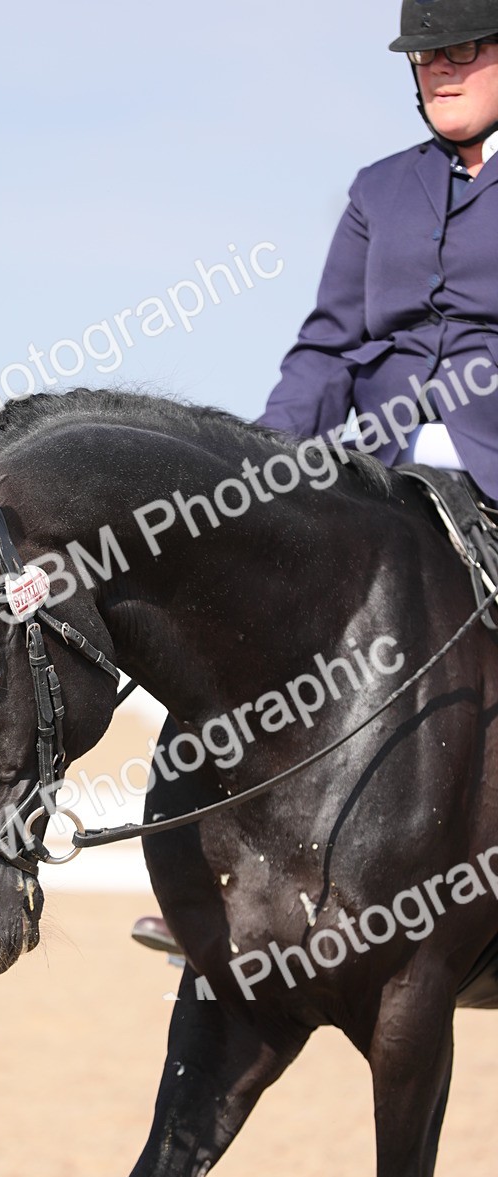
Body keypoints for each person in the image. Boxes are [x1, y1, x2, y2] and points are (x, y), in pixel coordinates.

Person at [132, 0, 498, 957]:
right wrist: (257, 470)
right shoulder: (383, 190)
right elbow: (328, 344)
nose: (438, 70)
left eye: (461, 48)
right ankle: (213, 889)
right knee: (239, 628)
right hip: (376, 473)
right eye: (423, 55)